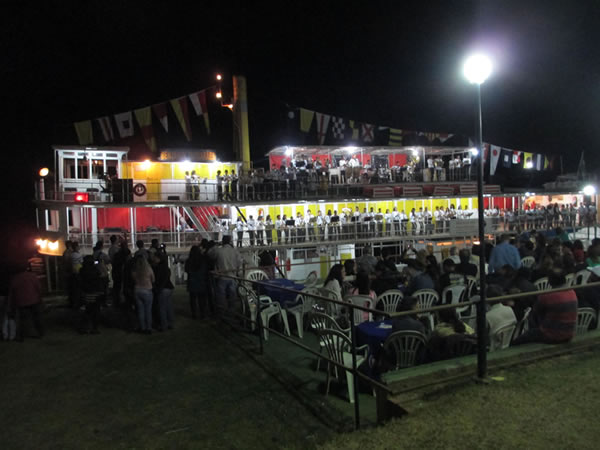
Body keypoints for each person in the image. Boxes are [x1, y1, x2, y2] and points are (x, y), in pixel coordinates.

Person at [513, 271, 577, 345]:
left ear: (550, 282)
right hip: (569, 333)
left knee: (518, 341)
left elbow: (535, 312)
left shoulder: (547, 296)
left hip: (552, 335)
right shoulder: (572, 292)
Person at [208, 235, 244, 314]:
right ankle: (232, 312)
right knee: (232, 296)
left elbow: (209, 254)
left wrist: (215, 246)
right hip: (233, 276)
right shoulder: (235, 251)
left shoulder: (219, 251)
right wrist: (238, 273)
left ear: (223, 241)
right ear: (230, 241)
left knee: (221, 297)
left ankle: (222, 312)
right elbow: (239, 262)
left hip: (222, 277)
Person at [8, 264, 43, 341]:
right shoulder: (32, 276)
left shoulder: (15, 278)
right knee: (37, 317)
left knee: (23, 319)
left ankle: (21, 336)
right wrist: (40, 297)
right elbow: (38, 287)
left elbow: (12, 292)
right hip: (34, 299)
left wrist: (12, 304)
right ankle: (40, 333)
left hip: (21, 301)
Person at [78, 255, 105, 334]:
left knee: (87, 311)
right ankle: (94, 328)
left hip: (86, 292)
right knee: (96, 311)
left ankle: (86, 328)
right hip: (95, 293)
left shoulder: (82, 270)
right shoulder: (95, 270)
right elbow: (102, 276)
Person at [131, 254, 155, 334]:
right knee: (148, 311)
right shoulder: (148, 269)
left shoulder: (134, 270)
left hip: (137, 290)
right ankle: (149, 328)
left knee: (140, 311)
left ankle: (142, 327)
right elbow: (153, 279)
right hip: (147, 290)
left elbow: (133, 280)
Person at [152, 251, 174, 331]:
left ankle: (163, 325)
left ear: (158, 258)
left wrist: (157, 288)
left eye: (154, 257)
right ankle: (170, 323)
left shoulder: (158, 268)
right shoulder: (166, 267)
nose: (153, 258)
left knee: (162, 308)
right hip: (169, 288)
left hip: (163, 289)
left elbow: (157, 280)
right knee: (168, 306)